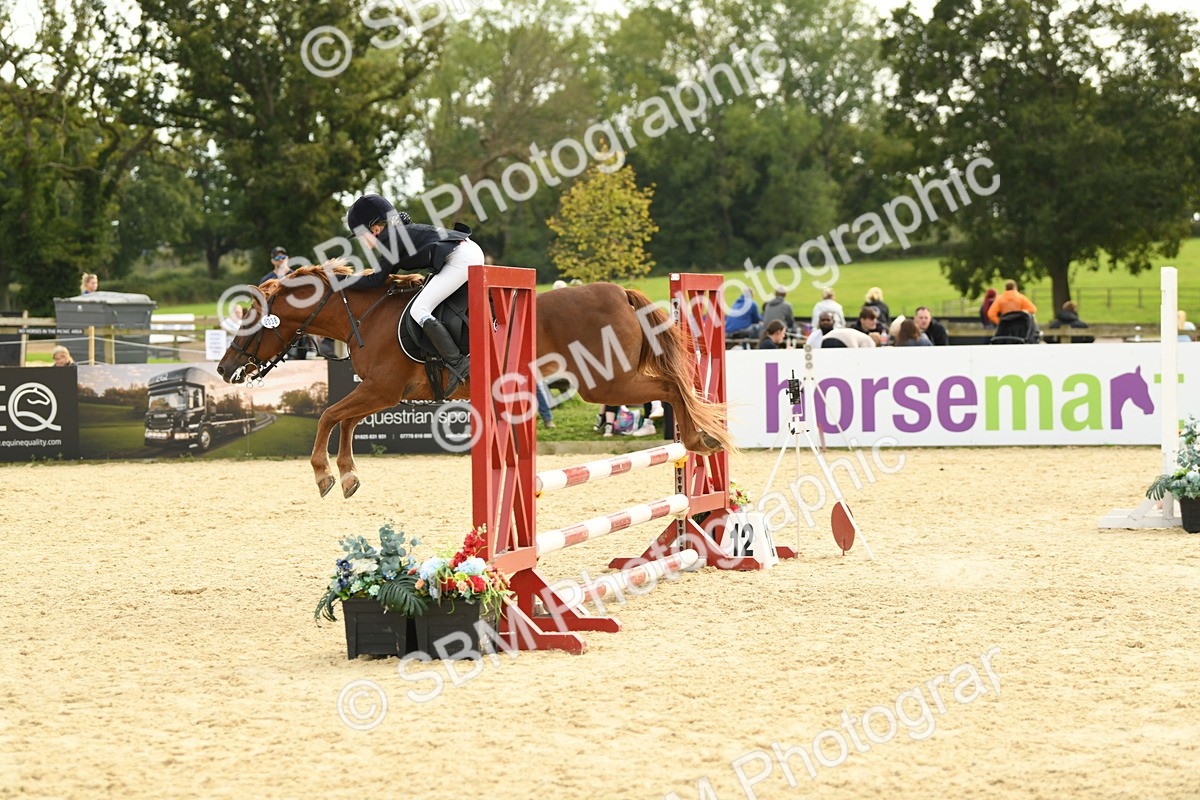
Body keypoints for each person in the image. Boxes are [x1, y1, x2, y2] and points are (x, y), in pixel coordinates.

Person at [344, 194, 479, 393]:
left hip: (460, 258)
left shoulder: (390, 239)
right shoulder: (394, 235)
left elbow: (376, 280)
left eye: (360, 234)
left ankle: (458, 363)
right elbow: (387, 273)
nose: (362, 241)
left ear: (375, 229)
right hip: (466, 251)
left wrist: (343, 281)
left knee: (419, 309)